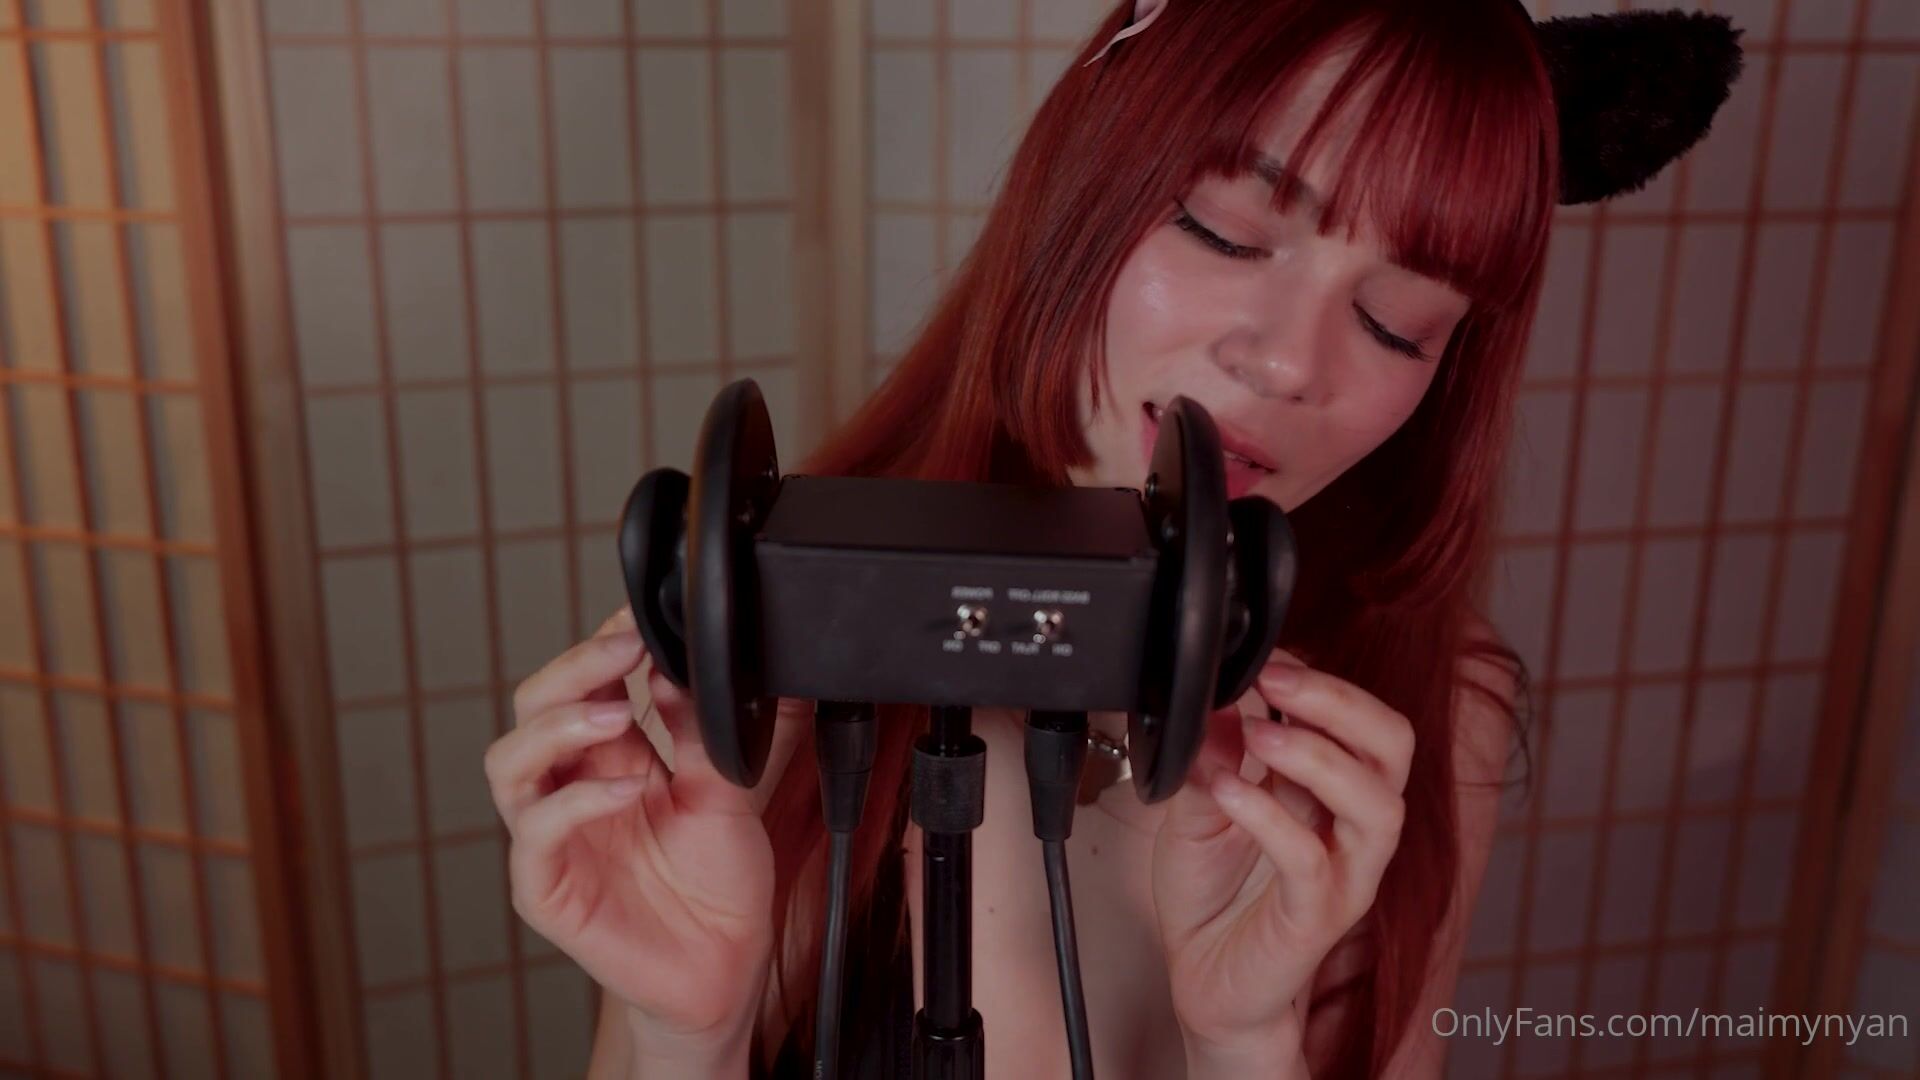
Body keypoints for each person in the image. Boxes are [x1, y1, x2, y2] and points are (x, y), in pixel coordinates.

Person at [482, 0, 1739, 1075]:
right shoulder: (756, 636)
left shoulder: (1418, 710)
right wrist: (682, 1036)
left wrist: (1244, 1044)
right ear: (1082, 179)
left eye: (1399, 322)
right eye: (1227, 233)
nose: (1287, 363)